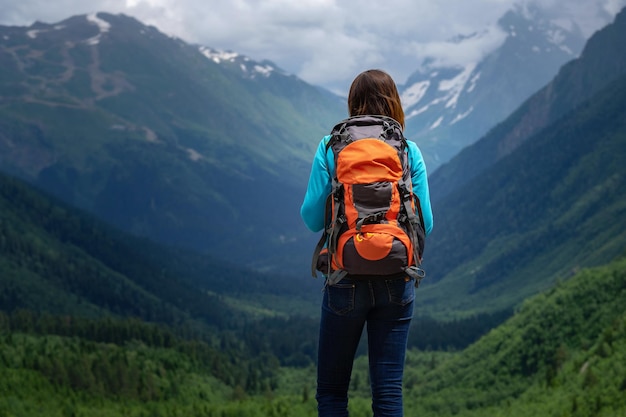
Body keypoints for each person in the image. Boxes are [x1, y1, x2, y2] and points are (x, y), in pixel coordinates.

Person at [300, 69, 434, 417]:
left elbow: (312, 218)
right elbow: (426, 223)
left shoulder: (330, 146)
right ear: (395, 103)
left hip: (345, 277)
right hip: (397, 274)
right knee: (388, 394)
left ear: (352, 104)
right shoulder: (409, 150)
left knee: (332, 394)